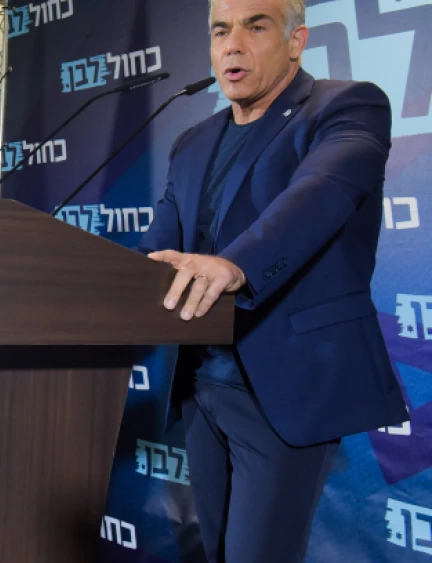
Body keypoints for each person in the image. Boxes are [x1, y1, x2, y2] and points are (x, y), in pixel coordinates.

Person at [135, 0, 410, 560]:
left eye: (255, 26)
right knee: (215, 549)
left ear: (296, 40)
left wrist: (234, 265)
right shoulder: (192, 141)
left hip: (284, 387)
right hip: (198, 385)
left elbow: (320, 196)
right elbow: (156, 249)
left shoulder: (348, 106)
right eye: (220, 30)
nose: (231, 44)